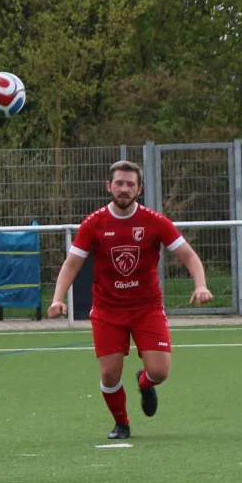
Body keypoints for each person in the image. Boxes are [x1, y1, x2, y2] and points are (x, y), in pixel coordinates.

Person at [48, 161, 214, 439]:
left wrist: (201, 285)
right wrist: (57, 298)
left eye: (130, 184)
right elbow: (72, 264)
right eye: (119, 183)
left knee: (159, 372)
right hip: (107, 310)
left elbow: (189, 255)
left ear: (140, 189)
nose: (124, 189)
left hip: (147, 308)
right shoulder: (94, 223)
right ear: (109, 186)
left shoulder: (155, 221)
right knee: (110, 375)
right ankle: (122, 423)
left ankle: (144, 382)